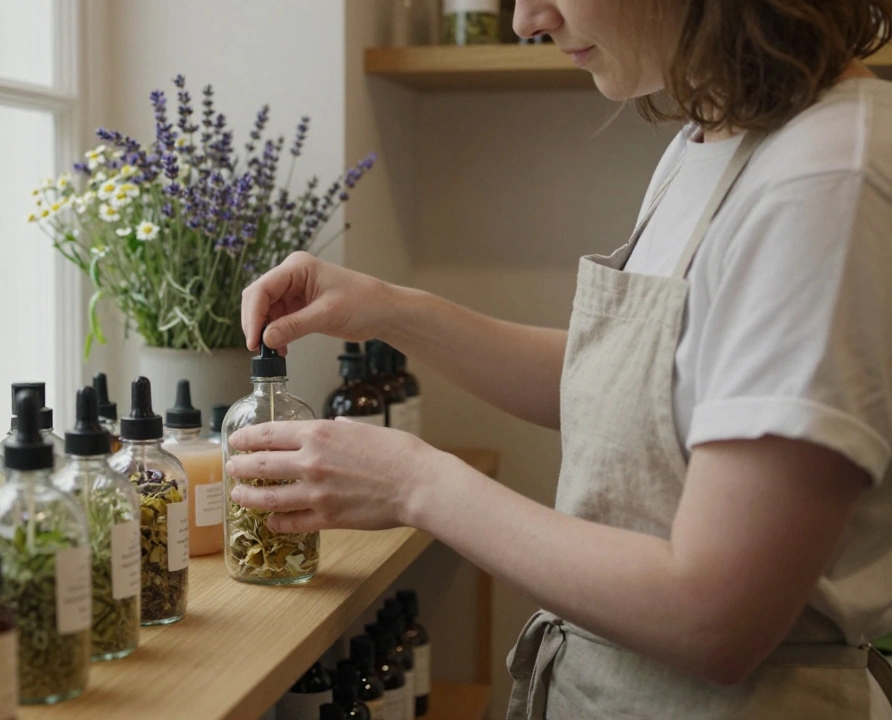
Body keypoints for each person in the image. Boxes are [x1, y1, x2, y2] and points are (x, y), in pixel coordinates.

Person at [228, 1, 892, 717]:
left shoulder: (825, 181)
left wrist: (416, 485)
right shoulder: (713, 139)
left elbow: (714, 616)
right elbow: (637, 392)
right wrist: (390, 309)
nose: (526, 20)